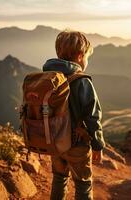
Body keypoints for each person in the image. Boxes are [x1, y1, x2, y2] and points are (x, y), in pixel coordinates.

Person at [42, 30, 105, 200]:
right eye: (86, 57)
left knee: (59, 179)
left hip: (54, 142)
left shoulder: (48, 77)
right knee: (83, 184)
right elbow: (93, 116)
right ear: (79, 56)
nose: (86, 61)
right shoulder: (82, 81)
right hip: (76, 144)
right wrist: (98, 144)